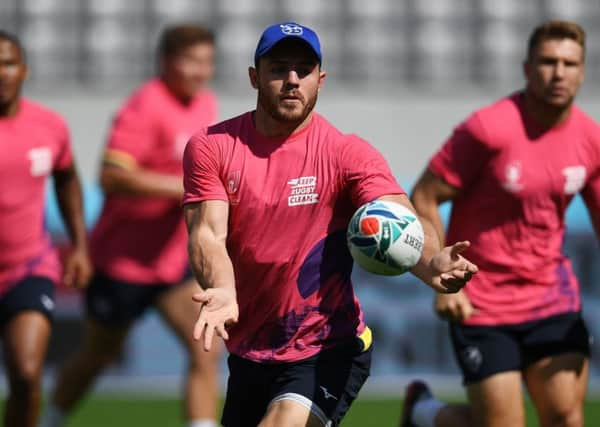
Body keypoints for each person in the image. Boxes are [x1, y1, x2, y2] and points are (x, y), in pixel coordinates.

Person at [182, 21, 478, 427]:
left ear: (320, 80)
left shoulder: (346, 154)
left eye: (303, 71)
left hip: (328, 347)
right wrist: (223, 288)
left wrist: (432, 264)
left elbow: (397, 217)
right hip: (251, 350)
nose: (291, 80)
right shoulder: (212, 146)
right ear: (254, 77)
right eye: (278, 68)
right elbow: (207, 233)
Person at [402, 20, 599, 427]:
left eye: (569, 63)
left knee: (567, 417)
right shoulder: (489, 129)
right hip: (482, 302)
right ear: (527, 68)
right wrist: (442, 278)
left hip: (552, 299)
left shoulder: (590, 140)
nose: (558, 72)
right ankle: (424, 413)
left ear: (582, 71)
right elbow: (423, 195)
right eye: (548, 61)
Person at [41, 24, 221, 427]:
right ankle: (48, 420)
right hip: (121, 265)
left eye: (207, 62)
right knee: (98, 356)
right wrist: (182, 186)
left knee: (206, 348)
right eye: (192, 61)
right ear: (167, 61)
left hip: (171, 263)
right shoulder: (145, 107)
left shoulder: (205, 103)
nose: (201, 71)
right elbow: (111, 175)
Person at [0, 30, 92, 427]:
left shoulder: (49, 126)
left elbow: (67, 178)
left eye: (8, 63)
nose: (0, 73)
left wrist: (80, 246)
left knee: (25, 374)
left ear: (24, 70)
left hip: (28, 268)